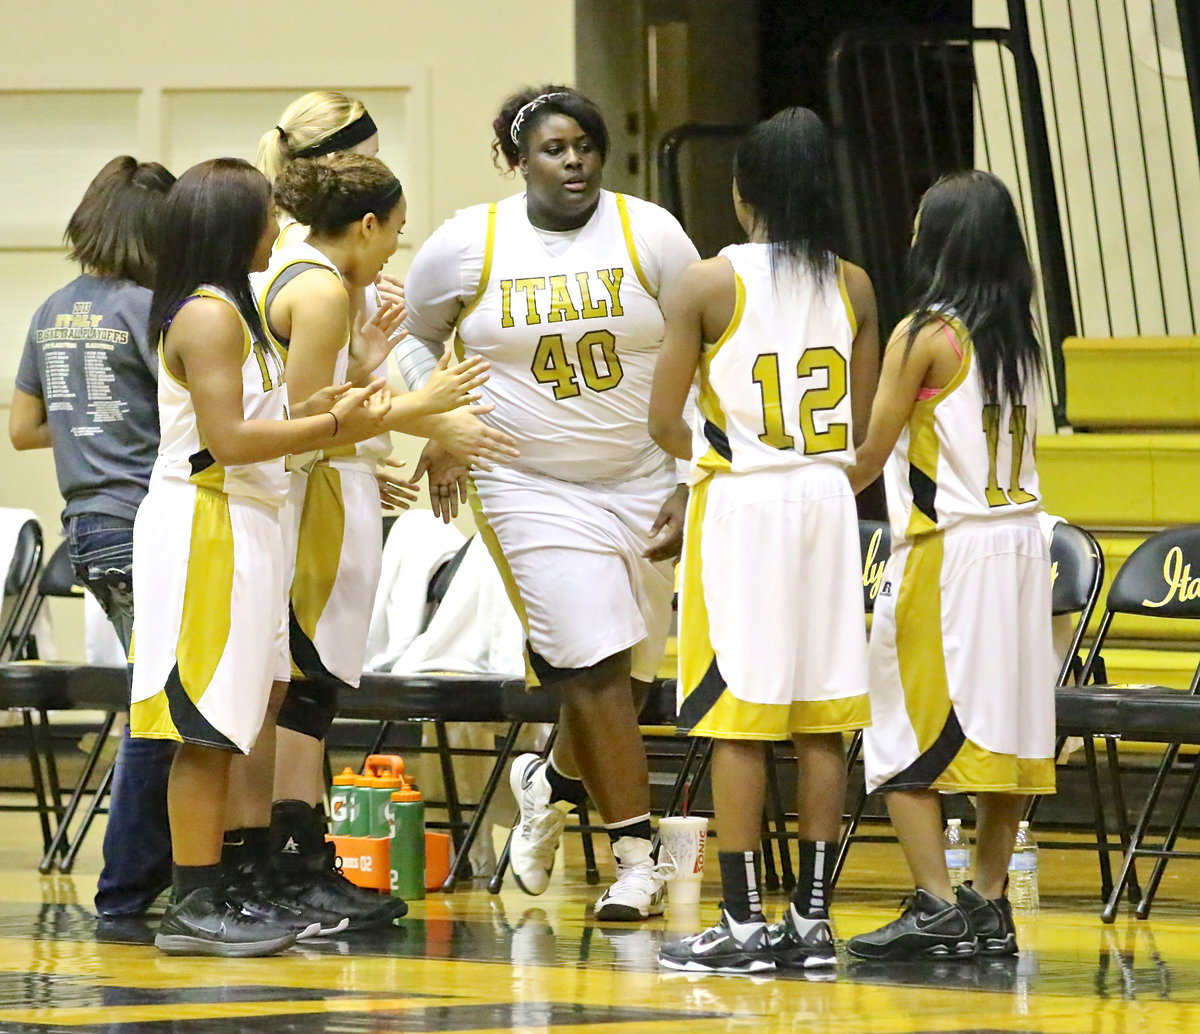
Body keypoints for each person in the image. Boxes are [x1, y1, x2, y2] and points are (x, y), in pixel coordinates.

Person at [400, 86, 700, 918]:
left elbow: (711, 345)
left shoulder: (651, 232)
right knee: (592, 665)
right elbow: (412, 336)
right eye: (554, 149)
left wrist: (691, 474)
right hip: (524, 480)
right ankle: (635, 859)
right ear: (516, 160)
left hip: (643, 474)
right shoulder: (469, 242)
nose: (574, 162)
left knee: (626, 682)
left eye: (585, 146)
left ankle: (550, 782)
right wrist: (442, 418)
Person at [129, 157, 401, 957]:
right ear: (232, 225)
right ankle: (193, 900)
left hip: (250, 517)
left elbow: (274, 415)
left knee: (254, 704)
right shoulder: (206, 317)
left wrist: (354, 381)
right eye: (267, 215)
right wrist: (336, 426)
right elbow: (231, 440)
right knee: (206, 719)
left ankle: (239, 885)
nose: (278, 229)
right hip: (205, 521)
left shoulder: (237, 311)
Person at [648, 108, 879, 974]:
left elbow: (663, 421)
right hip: (826, 500)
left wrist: (718, 459)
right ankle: (812, 924)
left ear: (742, 193)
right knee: (821, 720)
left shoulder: (706, 284)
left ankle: (742, 925)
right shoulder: (855, 286)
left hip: (743, 502)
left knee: (737, 719)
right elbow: (862, 431)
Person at [244, 151, 490, 929]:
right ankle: (294, 866)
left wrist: (369, 375)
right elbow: (311, 425)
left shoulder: (308, 277)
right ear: (367, 224)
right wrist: (427, 407)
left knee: (305, 685)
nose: (394, 252)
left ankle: (293, 861)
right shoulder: (317, 286)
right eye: (396, 233)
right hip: (309, 500)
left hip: (322, 490)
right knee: (304, 686)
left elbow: (324, 416)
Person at [843, 170, 1055, 961]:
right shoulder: (1019, 338)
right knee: (1007, 733)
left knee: (898, 728)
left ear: (940, 237)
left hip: (951, 551)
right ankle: (989, 900)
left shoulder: (924, 335)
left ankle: (936, 902)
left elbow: (869, 456)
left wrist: (784, 493)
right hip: (1022, 548)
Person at [10, 156, 178, 921]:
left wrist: (89, 427)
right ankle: (129, 888)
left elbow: (24, 428)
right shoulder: (152, 309)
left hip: (86, 528)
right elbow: (191, 415)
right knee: (162, 706)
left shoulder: (53, 309)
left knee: (159, 697)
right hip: (146, 520)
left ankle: (144, 880)